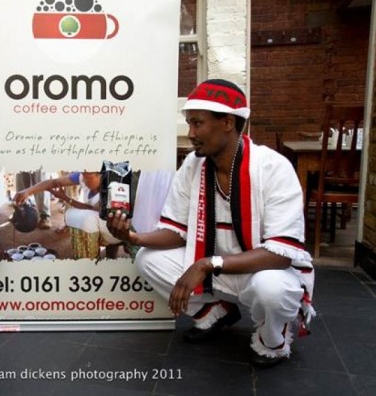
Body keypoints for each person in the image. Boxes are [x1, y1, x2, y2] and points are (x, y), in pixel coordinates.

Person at [107, 79, 315, 367]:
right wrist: (132, 236)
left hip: (263, 271)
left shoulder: (273, 167)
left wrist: (206, 264)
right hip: (216, 268)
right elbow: (177, 232)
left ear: (227, 122)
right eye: (189, 124)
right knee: (147, 259)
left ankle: (272, 339)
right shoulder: (193, 165)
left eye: (197, 124)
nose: (190, 133)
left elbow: (280, 255)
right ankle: (214, 313)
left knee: (271, 290)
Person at [13, 171, 123, 259]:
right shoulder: (84, 174)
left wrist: (66, 198)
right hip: (100, 222)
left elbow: (92, 210)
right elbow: (53, 182)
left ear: (101, 175)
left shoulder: (113, 187)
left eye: (88, 178)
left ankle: (91, 261)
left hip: (114, 230)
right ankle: (101, 256)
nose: (84, 180)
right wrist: (27, 191)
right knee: (74, 215)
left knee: (83, 218)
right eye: (83, 175)